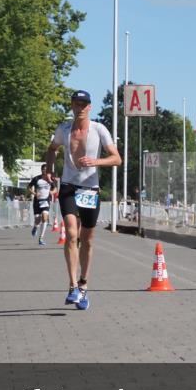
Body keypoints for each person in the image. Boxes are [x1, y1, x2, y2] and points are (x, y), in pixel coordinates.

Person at [44, 90, 121, 310]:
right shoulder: (63, 129)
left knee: (87, 239)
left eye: (84, 104)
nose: (80, 108)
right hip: (68, 185)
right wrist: (49, 169)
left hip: (90, 188)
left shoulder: (99, 129)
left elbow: (117, 159)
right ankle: (72, 287)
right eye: (76, 104)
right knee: (71, 234)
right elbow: (52, 149)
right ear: (71, 106)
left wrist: (96, 162)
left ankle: (83, 284)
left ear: (89, 107)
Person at [27, 164, 57, 246]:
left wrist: (52, 192)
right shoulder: (36, 178)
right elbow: (29, 187)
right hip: (37, 201)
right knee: (37, 219)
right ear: (41, 170)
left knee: (44, 217)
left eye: (47, 170)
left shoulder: (50, 179)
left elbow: (55, 189)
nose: (45, 171)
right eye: (44, 169)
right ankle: (35, 227)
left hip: (46, 201)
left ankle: (41, 238)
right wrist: (34, 193)